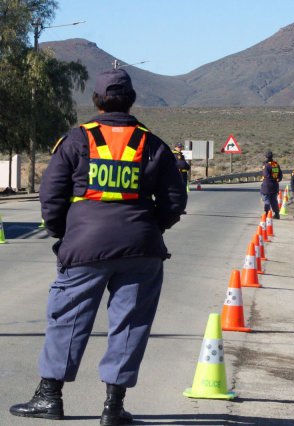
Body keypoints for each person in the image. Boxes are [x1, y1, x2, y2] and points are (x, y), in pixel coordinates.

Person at [9, 68, 187, 425]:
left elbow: (51, 196)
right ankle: (113, 407)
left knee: (68, 319)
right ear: (131, 99)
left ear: (97, 100)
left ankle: (50, 398)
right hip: (141, 248)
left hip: (85, 246)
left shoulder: (76, 140)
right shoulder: (153, 144)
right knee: (131, 324)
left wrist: (65, 234)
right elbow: (174, 200)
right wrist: (152, 227)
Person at [260, 150, 282, 219]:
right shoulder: (276, 164)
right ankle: (277, 214)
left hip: (267, 186)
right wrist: (276, 180)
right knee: (274, 200)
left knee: (266, 199)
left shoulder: (266, 165)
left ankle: (267, 214)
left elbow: (266, 175)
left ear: (266, 157)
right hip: (275, 185)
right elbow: (280, 175)